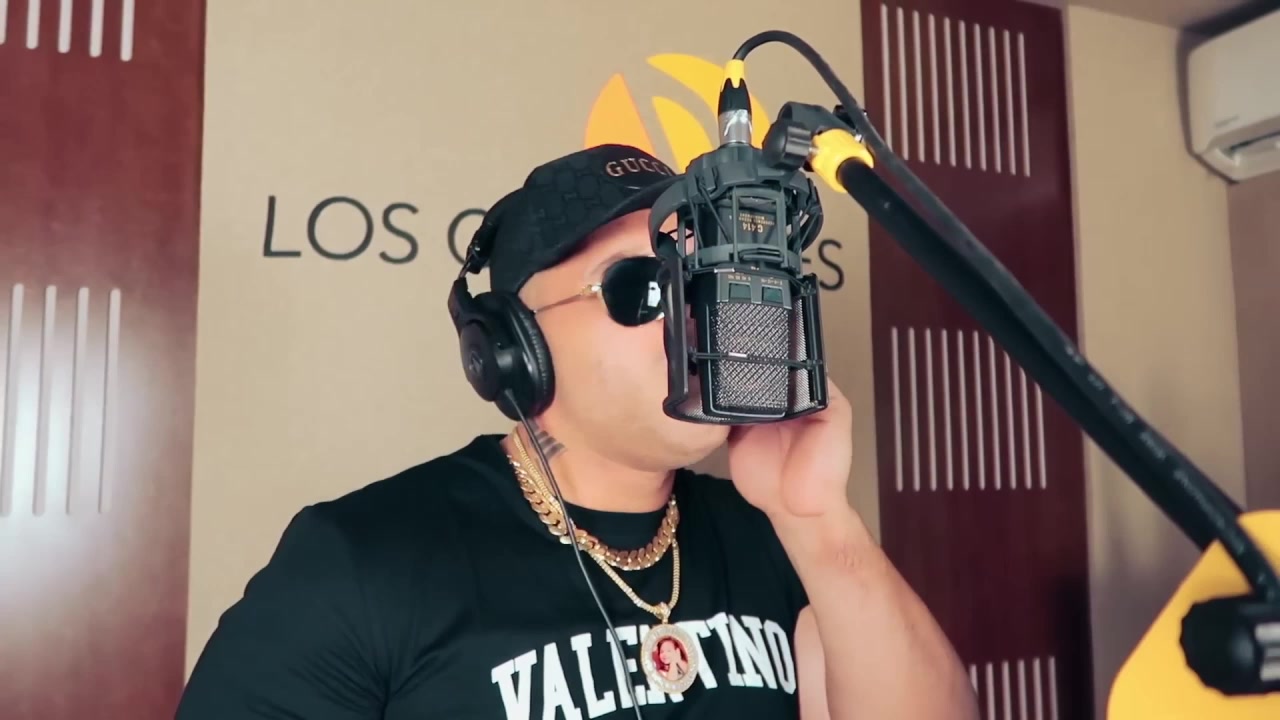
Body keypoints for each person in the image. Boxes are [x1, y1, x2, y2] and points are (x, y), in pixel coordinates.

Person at [175, 144, 980, 719]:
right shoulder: (360, 560)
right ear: (513, 350)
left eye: (705, 281)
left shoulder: (780, 541)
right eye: (644, 286)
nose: (696, 317)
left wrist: (820, 522)